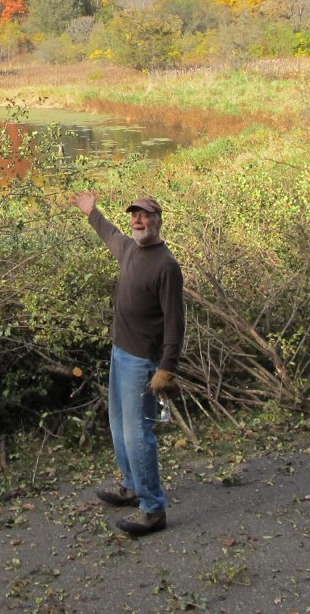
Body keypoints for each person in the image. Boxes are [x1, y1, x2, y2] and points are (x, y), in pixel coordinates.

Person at [72, 191, 185, 537]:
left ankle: (153, 509)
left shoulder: (166, 266)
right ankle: (132, 485)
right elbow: (109, 233)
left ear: (157, 220)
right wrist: (91, 211)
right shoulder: (130, 250)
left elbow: (175, 322)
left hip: (143, 361)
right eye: (135, 215)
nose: (138, 220)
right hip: (120, 353)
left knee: (139, 434)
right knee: (119, 423)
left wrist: (167, 367)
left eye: (145, 215)